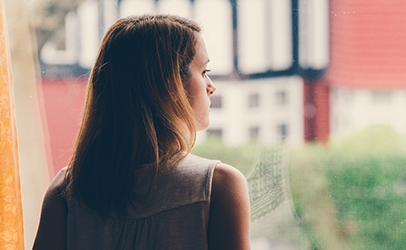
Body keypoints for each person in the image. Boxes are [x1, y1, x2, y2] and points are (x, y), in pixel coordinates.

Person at [33, 15, 250, 250]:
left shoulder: (65, 193)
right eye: (204, 71)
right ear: (171, 85)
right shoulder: (218, 186)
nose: (211, 86)